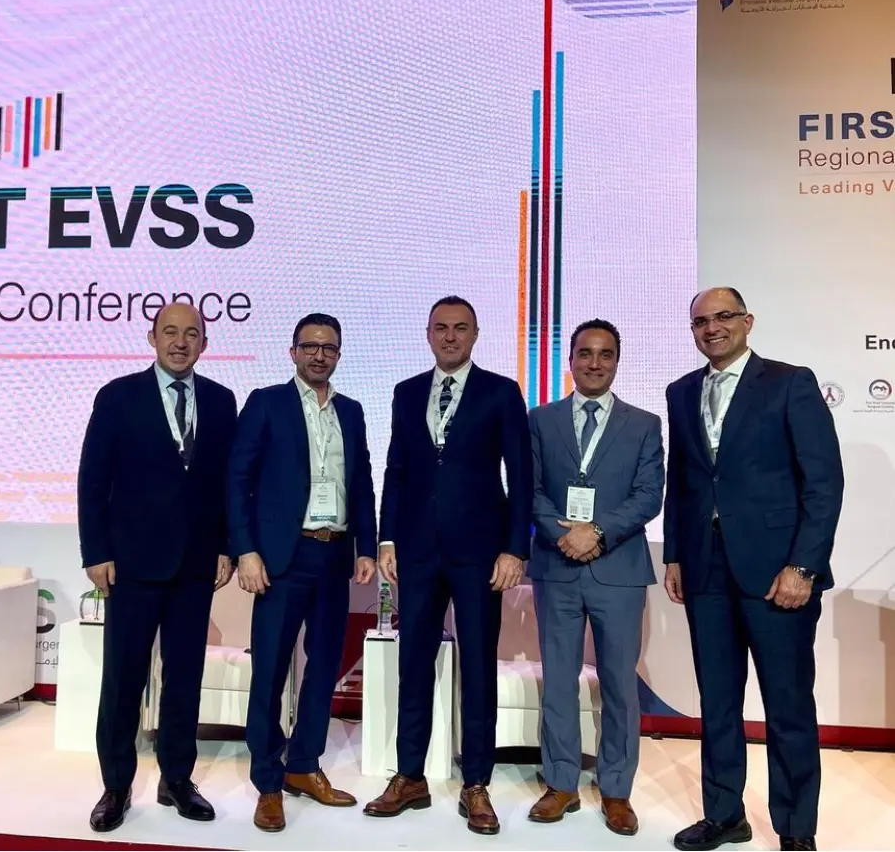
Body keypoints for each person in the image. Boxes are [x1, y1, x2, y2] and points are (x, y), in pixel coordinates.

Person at [664, 288, 843, 852]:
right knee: (717, 702)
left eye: (723, 317)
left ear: (747, 321)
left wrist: (803, 566)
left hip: (777, 573)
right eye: (700, 321)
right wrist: (674, 554)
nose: (711, 328)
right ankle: (724, 815)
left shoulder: (790, 382)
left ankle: (795, 828)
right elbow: (683, 481)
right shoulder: (681, 391)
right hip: (704, 569)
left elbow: (823, 483)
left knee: (787, 705)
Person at [364, 296, 532, 835]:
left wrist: (515, 548)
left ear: (476, 334)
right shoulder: (407, 391)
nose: (451, 336)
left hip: (481, 553)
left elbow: (521, 476)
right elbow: (395, 468)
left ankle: (476, 783)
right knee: (413, 663)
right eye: (441, 328)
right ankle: (409, 775)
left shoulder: (501, 392)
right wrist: (387, 537)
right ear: (428, 334)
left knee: (478, 667)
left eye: (461, 328)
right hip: (416, 550)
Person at [76, 302, 238, 833]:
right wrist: (96, 552)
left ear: (204, 344)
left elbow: (226, 484)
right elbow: (92, 481)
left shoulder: (221, 401)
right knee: (124, 679)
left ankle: (177, 779)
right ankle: (116, 785)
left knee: (184, 678)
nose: (180, 342)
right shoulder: (118, 397)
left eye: (191, 334)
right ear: (152, 338)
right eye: (170, 332)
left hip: (195, 565)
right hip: (132, 565)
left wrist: (226, 545)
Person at [227, 312, 378, 833]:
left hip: (334, 555)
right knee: (270, 669)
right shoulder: (266, 403)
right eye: (310, 346)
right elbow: (237, 480)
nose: (319, 355)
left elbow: (361, 482)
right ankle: (268, 782)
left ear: (339, 355)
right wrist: (245, 551)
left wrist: (365, 546)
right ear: (292, 352)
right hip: (279, 559)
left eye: (328, 347)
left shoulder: (351, 411)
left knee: (324, 666)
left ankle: (304, 765)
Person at [525, 319, 664, 836]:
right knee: (559, 680)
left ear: (617, 361)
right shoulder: (540, 420)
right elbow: (529, 488)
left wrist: (597, 533)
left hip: (618, 570)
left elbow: (649, 495)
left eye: (605, 354)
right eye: (585, 353)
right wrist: (560, 533)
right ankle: (560, 782)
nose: (595, 363)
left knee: (619, 684)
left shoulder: (644, 424)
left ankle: (616, 789)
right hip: (557, 565)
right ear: (571, 360)